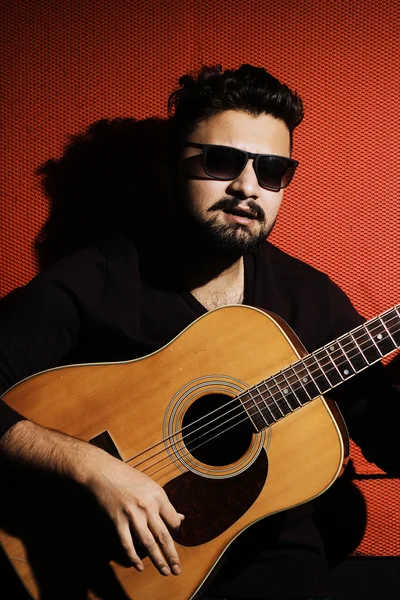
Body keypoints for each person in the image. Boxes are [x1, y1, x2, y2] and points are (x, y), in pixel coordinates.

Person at [0, 64, 399, 600]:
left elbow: (391, 439)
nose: (247, 187)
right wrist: (90, 467)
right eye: (221, 161)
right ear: (170, 168)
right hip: (100, 569)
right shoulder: (97, 279)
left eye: (272, 171)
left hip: (271, 564)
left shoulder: (310, 299)